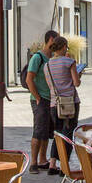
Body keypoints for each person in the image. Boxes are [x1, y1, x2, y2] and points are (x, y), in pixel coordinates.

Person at [26, 30, 59, 174]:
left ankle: (42, 160)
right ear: (51, 39)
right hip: (40, 99)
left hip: (50, 99)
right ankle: (33, 163)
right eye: (56, 41)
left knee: (46, 131)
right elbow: (29, 79)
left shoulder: (51, 58)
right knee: (38, 131)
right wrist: (37, 97)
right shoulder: (37, 57)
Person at [45, 36, 81, 156]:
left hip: (55, 103)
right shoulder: (69, 62)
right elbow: (76, 83)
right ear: (64, 46)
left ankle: (53, 163)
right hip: (71, 101)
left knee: (58, 133)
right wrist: (78, 75)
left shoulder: (47, 65)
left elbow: (50, 85)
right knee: (69, 132)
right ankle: (64, 166)